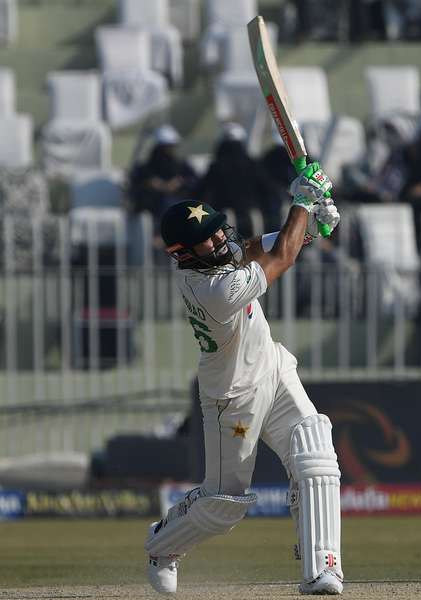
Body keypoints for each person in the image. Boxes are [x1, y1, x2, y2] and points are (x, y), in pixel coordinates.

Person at [144, 161, 344, 595]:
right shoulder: (212, 291)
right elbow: (280, 257)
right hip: (232, 398)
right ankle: (162, 545)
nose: (218, 238)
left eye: (217, 229)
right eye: (206, 238)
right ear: (183, 253)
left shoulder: (216, 259)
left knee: (316, 453)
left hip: (273, 369)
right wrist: (304, 202)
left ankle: (322, 568)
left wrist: (311, 225)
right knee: (223, 506)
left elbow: (255, 247)